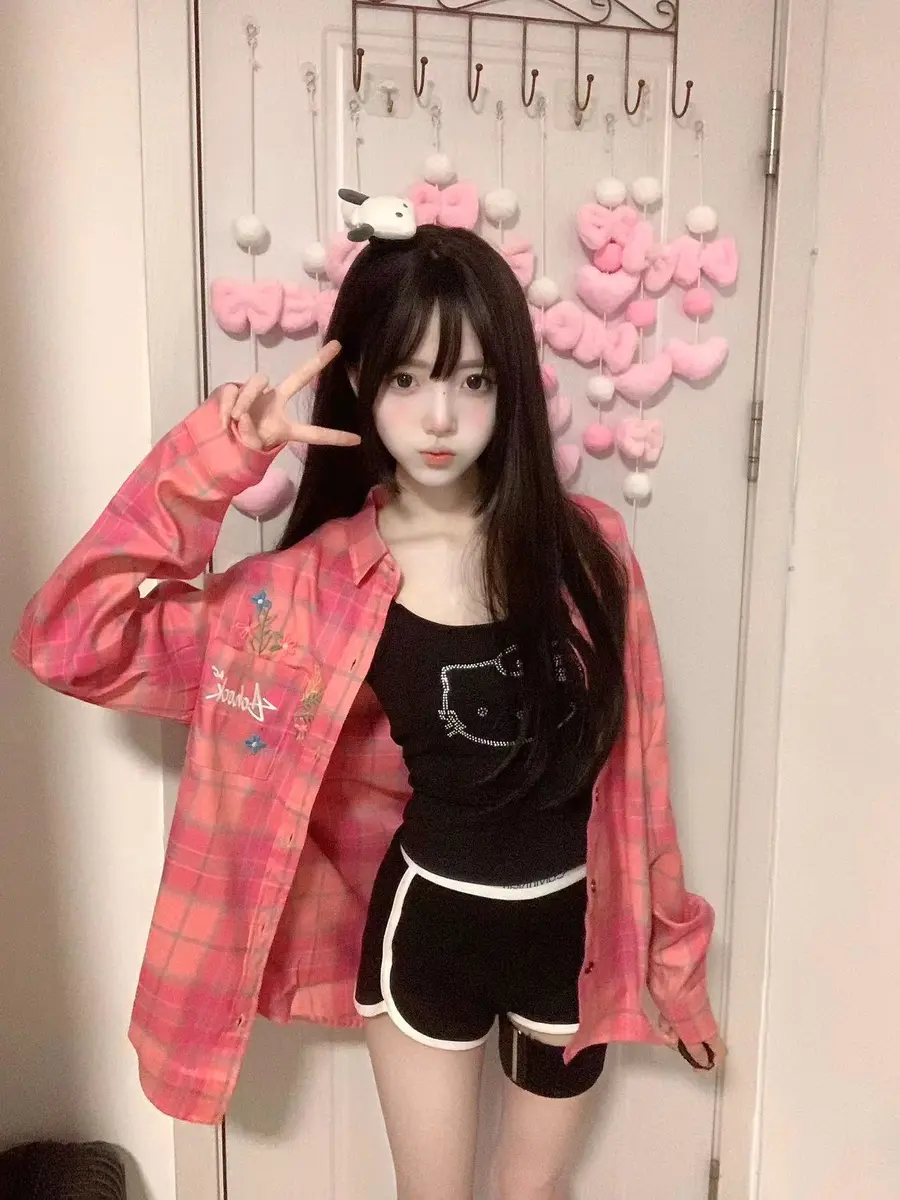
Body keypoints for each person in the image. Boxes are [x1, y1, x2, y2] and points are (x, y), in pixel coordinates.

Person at [13, 221, 724, 1200]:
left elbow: (640, 777)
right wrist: (217, 457)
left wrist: (676, 964)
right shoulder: (309, 591)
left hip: (575, 943)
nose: (441, 416)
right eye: (405, 378)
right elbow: (73, 638)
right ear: (360, 385)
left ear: (511, 387)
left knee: (534, 1193)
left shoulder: (588, 554)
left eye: (472, 379)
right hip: (427, 937)